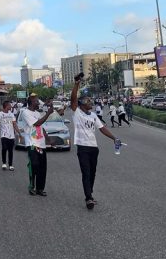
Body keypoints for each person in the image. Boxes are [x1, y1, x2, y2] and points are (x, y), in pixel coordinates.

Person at [70, 74, 120, 209]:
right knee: (86, 173)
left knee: (92, 173)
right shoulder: (77, 112)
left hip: (93, 148)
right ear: (81, 104)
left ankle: (89, 193)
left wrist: (114, 138)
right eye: (88, 101)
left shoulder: (92, 115)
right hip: (83, 148)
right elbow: (73, 99)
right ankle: (88, 198)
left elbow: (102, 128)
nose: (91, 102)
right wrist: (76, 84)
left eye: (90, 101)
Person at [20, 95, 59, 196]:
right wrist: (48, 113)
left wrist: (49, 140)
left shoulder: (37, 113)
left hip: (41, 144)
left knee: (42, 167)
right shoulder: (25, 112)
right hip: (32, 144)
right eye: (36, 101)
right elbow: (37, 123)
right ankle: (32, 187)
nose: (38, 103)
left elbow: (41, 127)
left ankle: (40, 189)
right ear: (31, 102)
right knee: (34, 166)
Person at [0, 101, 17, 171]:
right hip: (4, 135)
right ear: (6, 106)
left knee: (10, 150)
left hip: (11, 135)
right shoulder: (0, 114)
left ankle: (10, 165)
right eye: (10, 105)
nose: (11, 106)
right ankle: (4, 163)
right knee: (4, 148)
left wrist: (19, 133)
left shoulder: (11, 114)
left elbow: (14, 124)